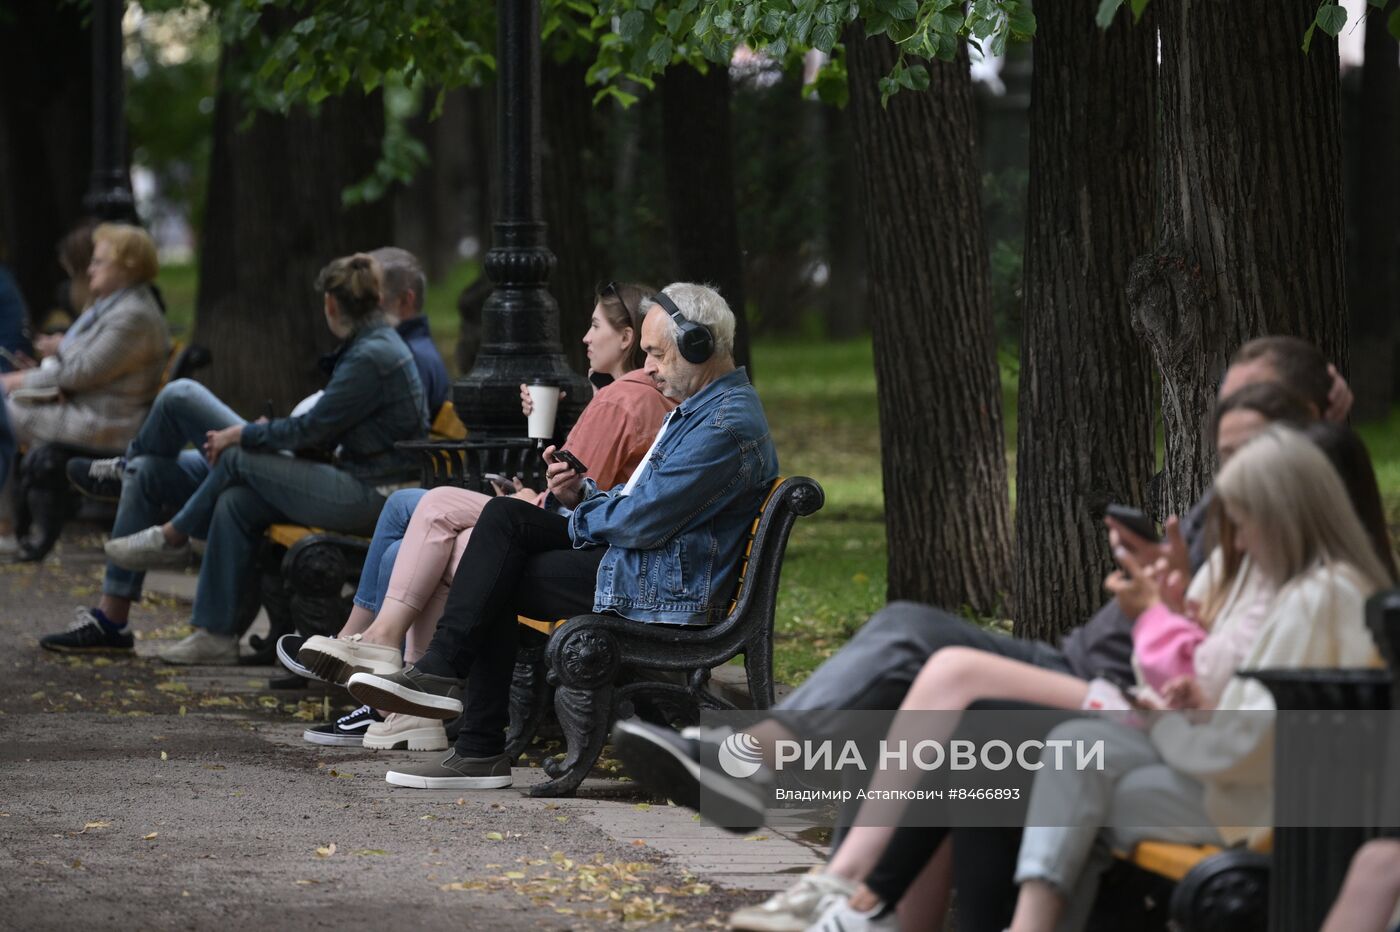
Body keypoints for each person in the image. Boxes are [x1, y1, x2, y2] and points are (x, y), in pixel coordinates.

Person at [612, 336, 1350, 931]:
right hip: (1093, 672)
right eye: (1229, 429)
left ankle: (781, 804)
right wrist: (1163, 593)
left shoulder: (1298, 542)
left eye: (1259, 428)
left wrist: (1162, 610)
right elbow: (1200, 631)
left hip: (1128, 702)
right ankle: (838, 890)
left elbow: (1225, 675)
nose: (1235, 466)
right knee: (918, 684)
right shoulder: (1241, 516)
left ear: (1308, 431)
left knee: (932, 673)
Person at [340, 282, 777, 789]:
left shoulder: (723, 423)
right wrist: (580, 496)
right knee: (504, 519)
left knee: (498, 567)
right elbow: (640, 506)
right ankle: (446, 687)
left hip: (661, 584)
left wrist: (578, 516)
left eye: (657, 353)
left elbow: (640, 520)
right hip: (645, 561)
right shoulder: (701, 407)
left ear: (697, 345)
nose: (650, 365)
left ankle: (471, 732)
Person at [1006, 424, 1393, 932]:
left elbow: (1248, 744)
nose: (1240, 539)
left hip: (1267, 808)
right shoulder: (1308, 585)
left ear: (1281, 517)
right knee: (1074, 752)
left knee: (1082, 794)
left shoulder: (1319, 597)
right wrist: (1196, 701)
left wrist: (1170, 720)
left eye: (1245, 522)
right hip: (1253, 784)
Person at [295, 281, 675, 750]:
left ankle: (382, 659)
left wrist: (532, 492)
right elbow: (592, 483)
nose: (584, 337)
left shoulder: (622, 399)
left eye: (595, 325)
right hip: (583, 534)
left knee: (429, 513)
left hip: (577, 541)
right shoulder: (625, 396)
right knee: (416, 539)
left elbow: (578, 495)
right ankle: (399, 694)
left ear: (626, 338)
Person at [38, 254, 427, 662]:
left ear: (330, 305)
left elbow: (315, 429)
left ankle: (172, 535)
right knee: (227, 497)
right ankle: (215, 635)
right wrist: (263, 433)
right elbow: (326, 428)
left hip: (371, 493)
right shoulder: (371, 345)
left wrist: (247, 434)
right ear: (377, 297)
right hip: (353, 476)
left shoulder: (371, 355)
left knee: (213, 431)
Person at [0, 223, 169, 556]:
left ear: (127, 267)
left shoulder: (131, 315)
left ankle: (4, 525)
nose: (90, 269)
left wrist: (13, 382)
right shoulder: (116, 307)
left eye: (99, 262)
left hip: (103, 423)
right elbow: (77, 367)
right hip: (86, 408)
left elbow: (76, 372)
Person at [368, 246, 449, 421]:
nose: (361, 307)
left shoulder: (407, 358)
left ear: (405, 300)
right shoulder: (417, 350)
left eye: (372, 298)